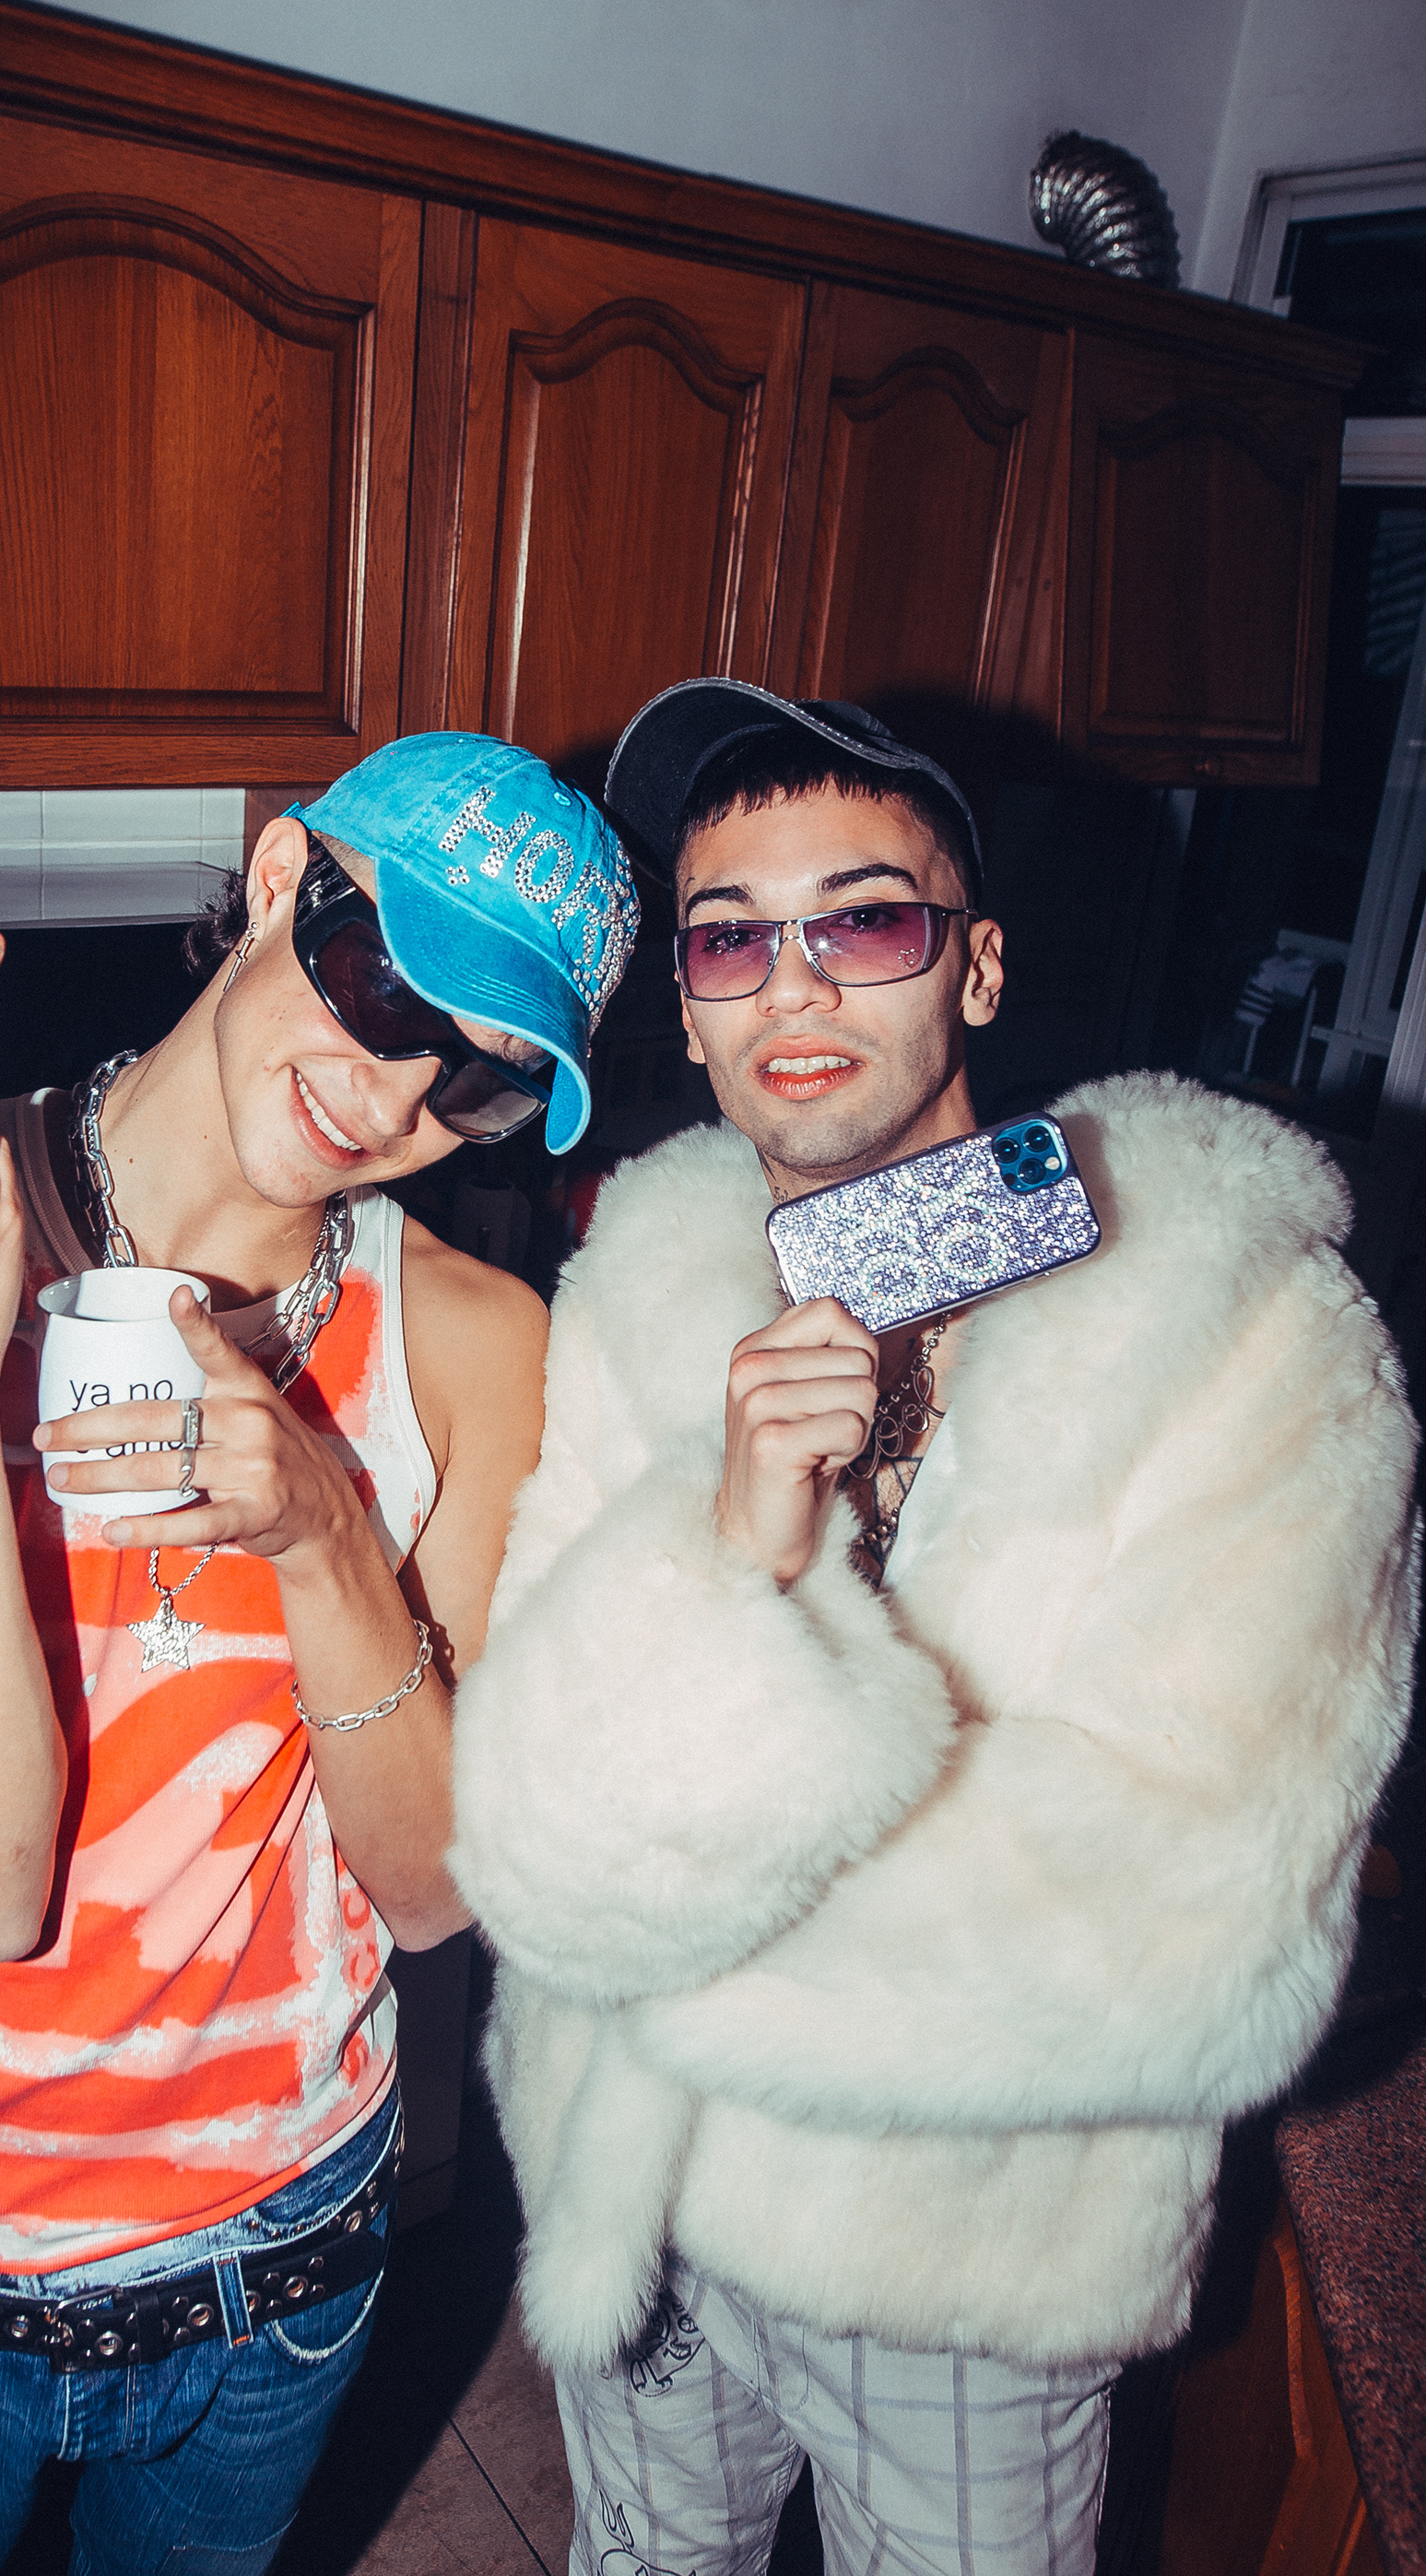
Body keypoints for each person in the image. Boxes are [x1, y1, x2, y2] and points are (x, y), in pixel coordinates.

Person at [450, 679, 1419, 2576]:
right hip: (631, 2185)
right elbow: (519, 1793)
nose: (793, 986)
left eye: (865, 920)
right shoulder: (644, 1284)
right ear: (687, 1011)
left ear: (975, 965)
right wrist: (734, 1550)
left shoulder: (1250, 1339)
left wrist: (651, 1916)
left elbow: (1197, 1911)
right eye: (730, 939)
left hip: (957, 2252)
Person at [0, 731, 638, 2576]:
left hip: (275, 2260)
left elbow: (430, 1891)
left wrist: (325, 1532)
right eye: (384, 987)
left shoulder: (475, 1343)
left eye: (482, 1074)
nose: (397, 1089)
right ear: (280, 882)